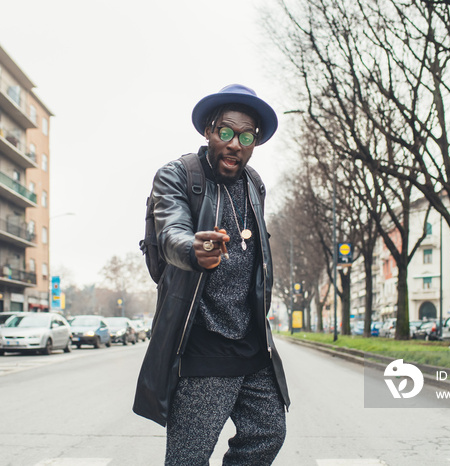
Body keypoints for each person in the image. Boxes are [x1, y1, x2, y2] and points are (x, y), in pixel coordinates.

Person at [133, 84, 290, 465]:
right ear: (209, 130)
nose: (235, 144)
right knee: (189, 457)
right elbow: (171, 231)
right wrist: (194, 250)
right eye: (226, 132)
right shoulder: (176, 175)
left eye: (246, 136)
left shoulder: (254, 184)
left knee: (268, 432)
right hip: (202, 344)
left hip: (251, 342)